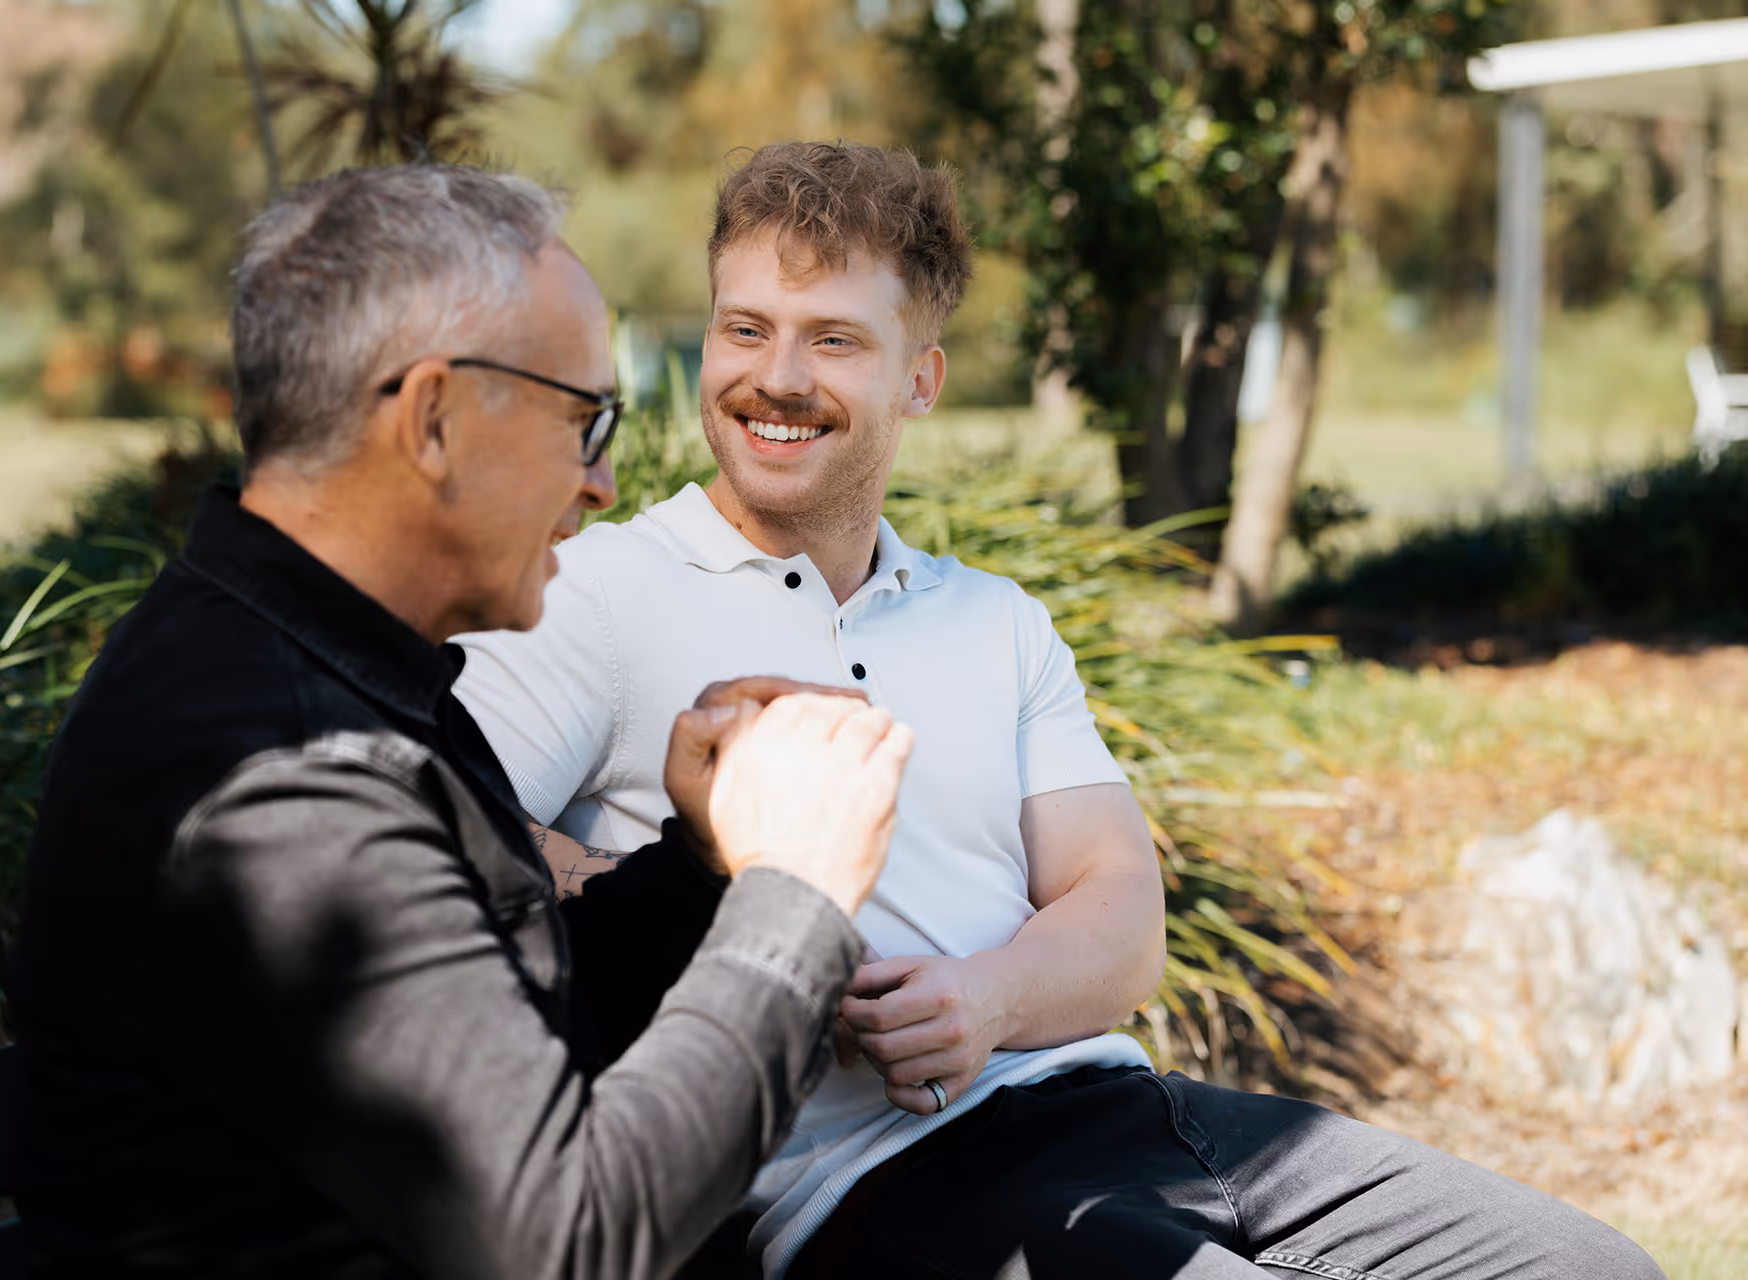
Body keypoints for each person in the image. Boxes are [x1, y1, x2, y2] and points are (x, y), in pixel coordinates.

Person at [453, 141, 1664, 1279]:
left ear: (920, 380)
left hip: (1133, 1112)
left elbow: (1122, 910)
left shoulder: (995, 619)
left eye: (833, 339)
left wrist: (985, 1000)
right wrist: (704, 911)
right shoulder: (600, 592)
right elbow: (444, 827)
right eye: (745, 328)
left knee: (1597, 1267)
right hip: (878, 1186)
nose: (776, 377)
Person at [13, 162, 917, 1280]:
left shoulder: (325, 662)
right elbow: (569, 1239)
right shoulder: (283, 773)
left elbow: (497, 997)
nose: (602, 482)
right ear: (434, 417)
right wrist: (798, 892)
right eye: (584, 420)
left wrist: (703, 860)